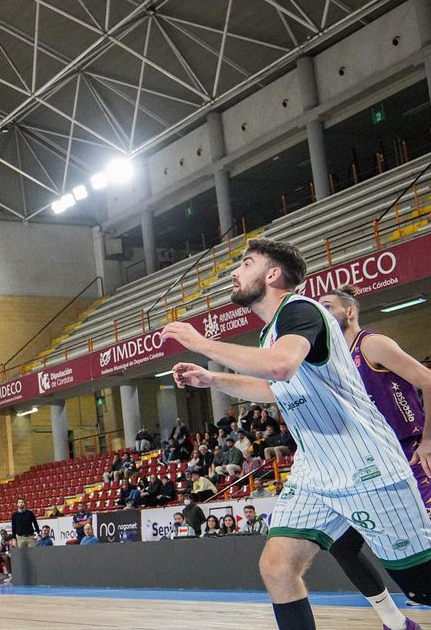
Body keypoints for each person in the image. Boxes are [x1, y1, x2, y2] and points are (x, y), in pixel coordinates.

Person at [166, 237, 431, 630]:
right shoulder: (271, 332)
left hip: (365, 462)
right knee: (277, 568)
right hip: (315, 469)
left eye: (246, 263)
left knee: (421, 588)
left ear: (272, 274)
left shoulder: (300, 310)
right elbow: (277, 389)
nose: (235, 273)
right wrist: (213, 379)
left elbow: (280, 368)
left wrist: (201, 342)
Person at [318, 284, 431, 629]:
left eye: (327, 306)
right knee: (340, 543)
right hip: (371, 468)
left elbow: (429, 381)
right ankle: (395, 622)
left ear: (349, 311)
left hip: (410, 454)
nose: (320, 312)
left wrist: (428, 440)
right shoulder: (331, 362)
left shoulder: (371, 344)